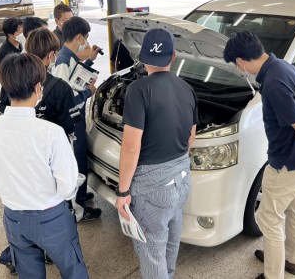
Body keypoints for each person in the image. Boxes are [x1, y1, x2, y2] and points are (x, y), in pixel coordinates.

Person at [223, 31, 295, 279]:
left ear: (241, 61)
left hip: (288, 161)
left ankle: (273, 274)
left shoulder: (274, 83)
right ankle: (291, 260)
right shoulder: (283, 66)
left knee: (268, 219)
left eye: (236, 64)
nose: (238, 68)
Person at [0, 53, 89, 279]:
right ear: (39, 88)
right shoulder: (51, 133)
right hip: (52, 218)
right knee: (73, 270)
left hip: (13, 218)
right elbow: (67, 188)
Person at [114, 28, 197, 279]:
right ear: (173, 58)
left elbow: (131, 146)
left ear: (143, 57)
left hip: (152, 188)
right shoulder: (187, 88)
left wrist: (122, 192)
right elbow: (191, 136)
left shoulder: (138, 90)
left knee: (152, 251)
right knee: (172, 240)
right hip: (182, 178)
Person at [52, 16, 102, 222]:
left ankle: (80, 194)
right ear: (79, 36)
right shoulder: (63, 61)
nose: (87, 42)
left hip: (77, 118)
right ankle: (78, 210)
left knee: (81, 159)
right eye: (86, 38)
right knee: (76, 162)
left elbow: (75, 79)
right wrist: (88, 93)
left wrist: (89, 61)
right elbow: (63, 100)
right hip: (70, 122)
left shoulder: (70, 57)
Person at [25, 28, 81, 137]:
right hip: (52, 147)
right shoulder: (61, 88)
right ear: (51, 55)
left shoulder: (14, 80)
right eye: (56, 53)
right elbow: (69, 126)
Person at [0, 18, 24, 114]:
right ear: (10, 35)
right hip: (10, 100)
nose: (23, 34)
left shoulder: (19, 45)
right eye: (20, 32)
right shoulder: (5, 53)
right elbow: (4, 79)